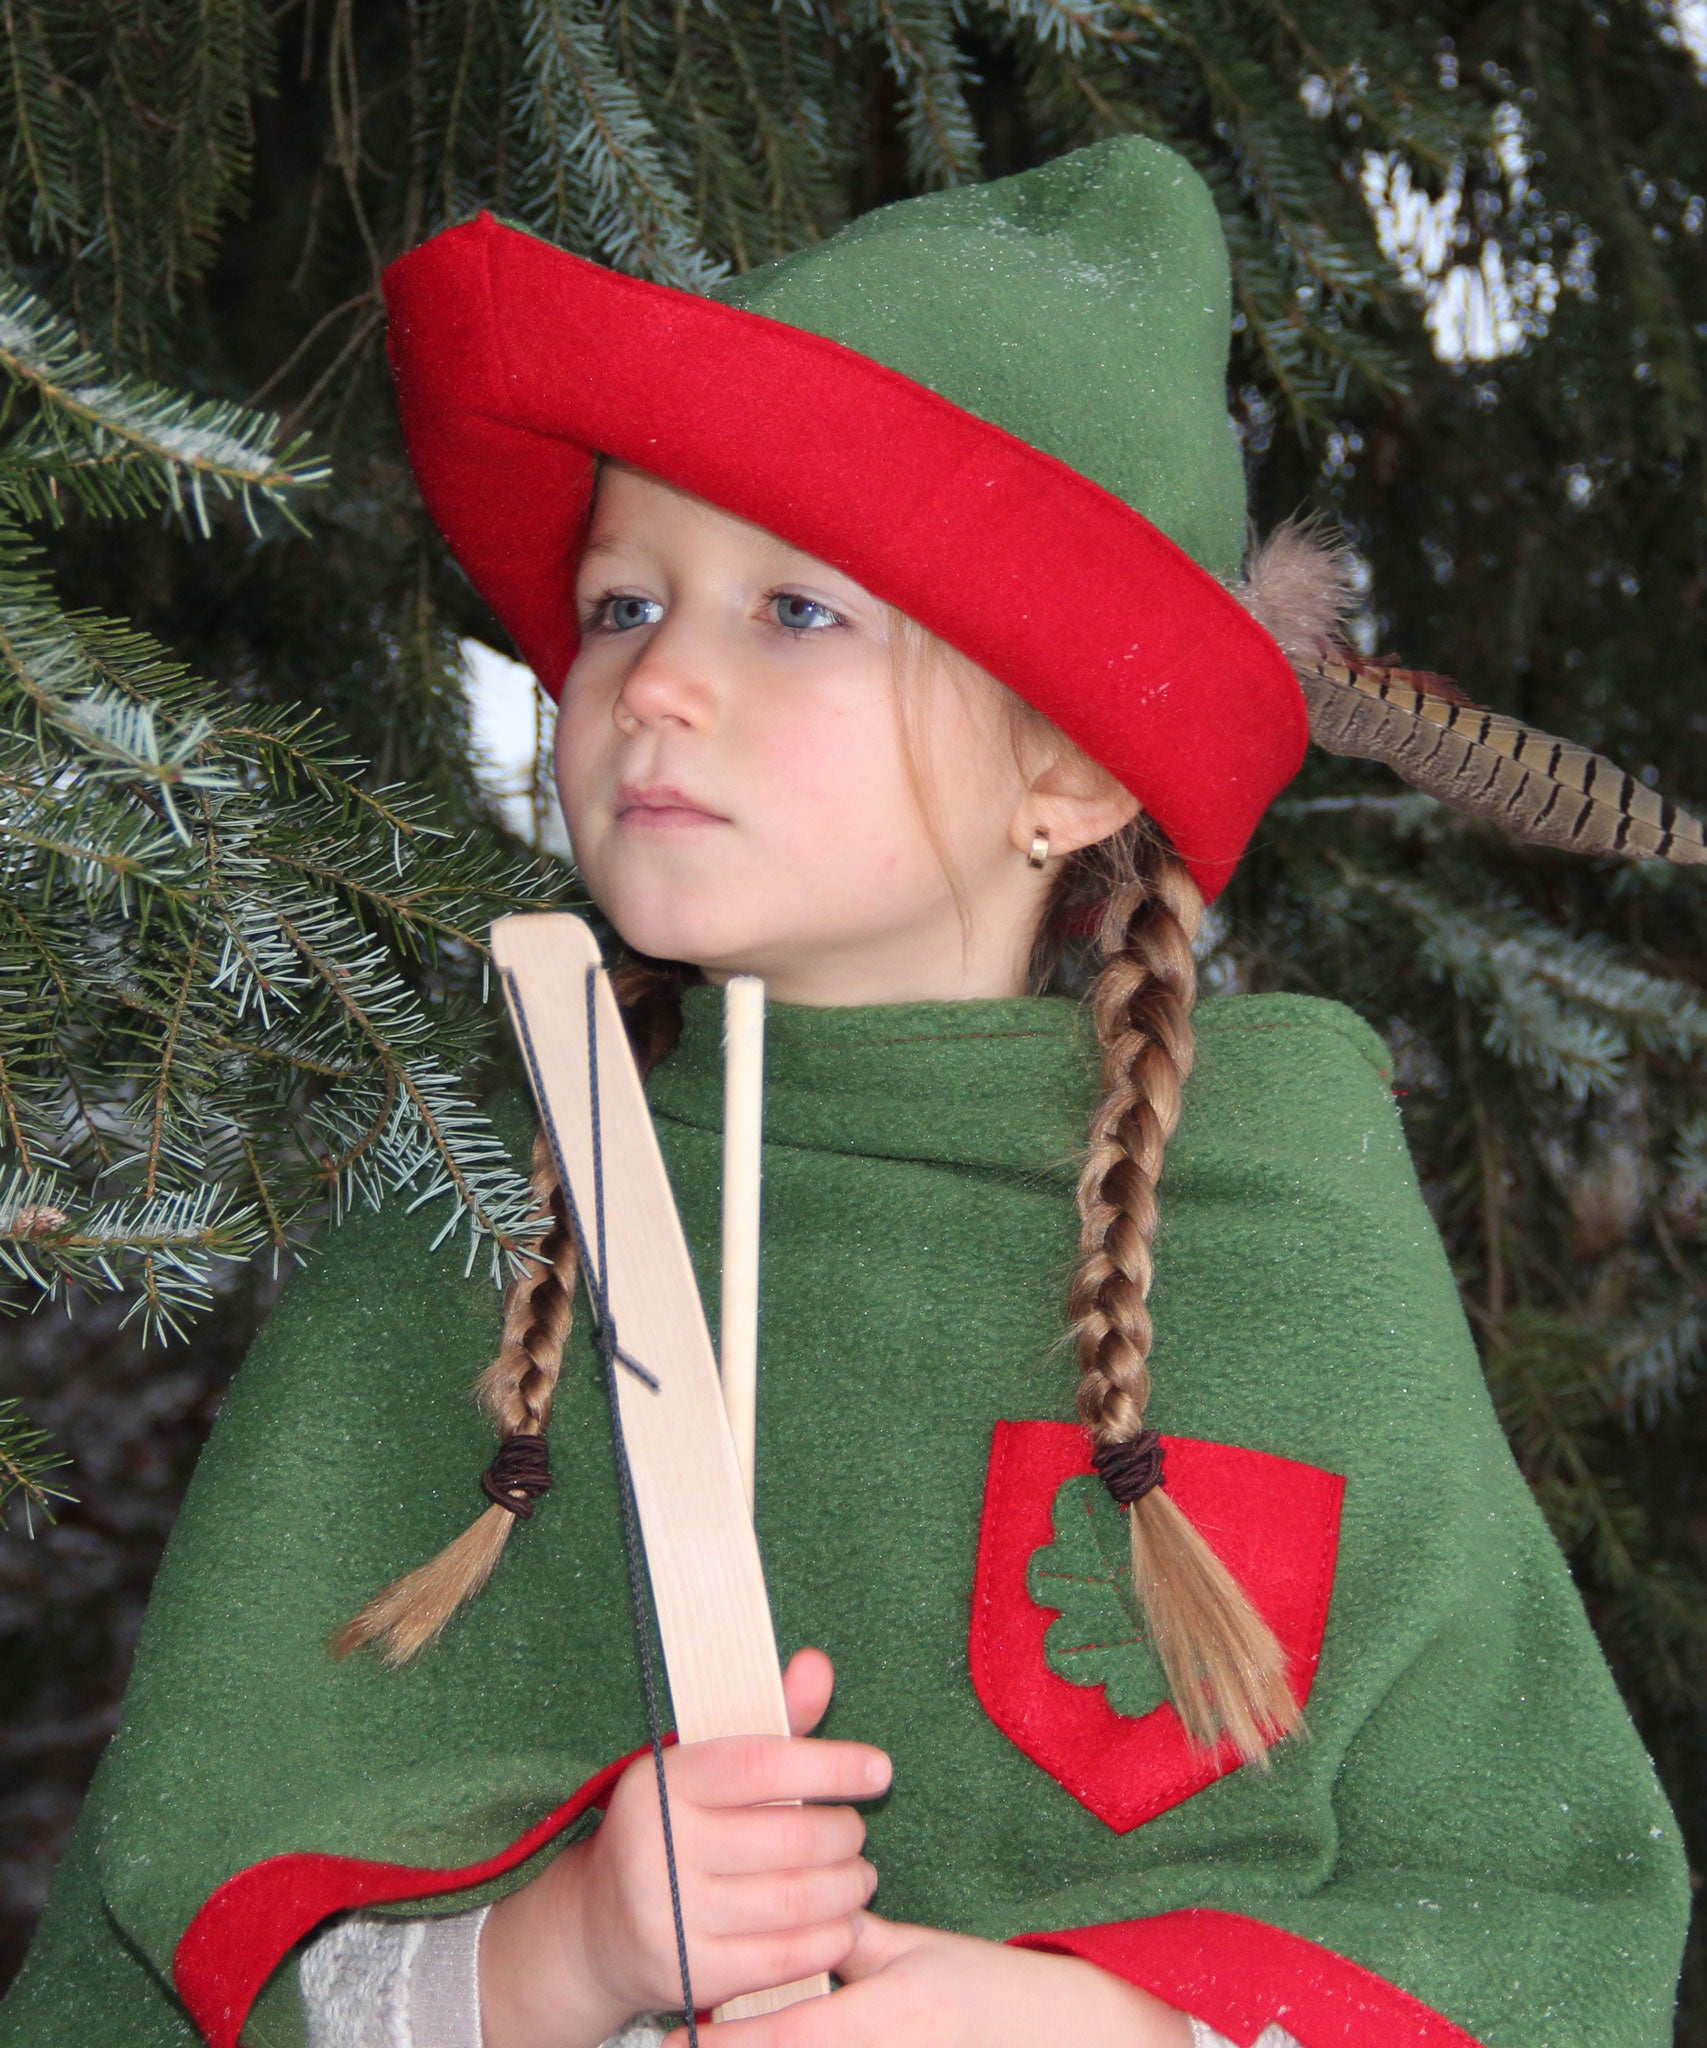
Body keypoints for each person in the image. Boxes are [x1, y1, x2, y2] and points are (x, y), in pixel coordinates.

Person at [0, 137, 1691, 2048]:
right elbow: (191, 1953)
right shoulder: (487, 1227)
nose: (651, 684)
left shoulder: (1277, 1246)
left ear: (1068, 767)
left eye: (795, 613)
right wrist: (561, 1957)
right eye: (626, 604)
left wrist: (1105, 2030)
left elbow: (1535, 1927)